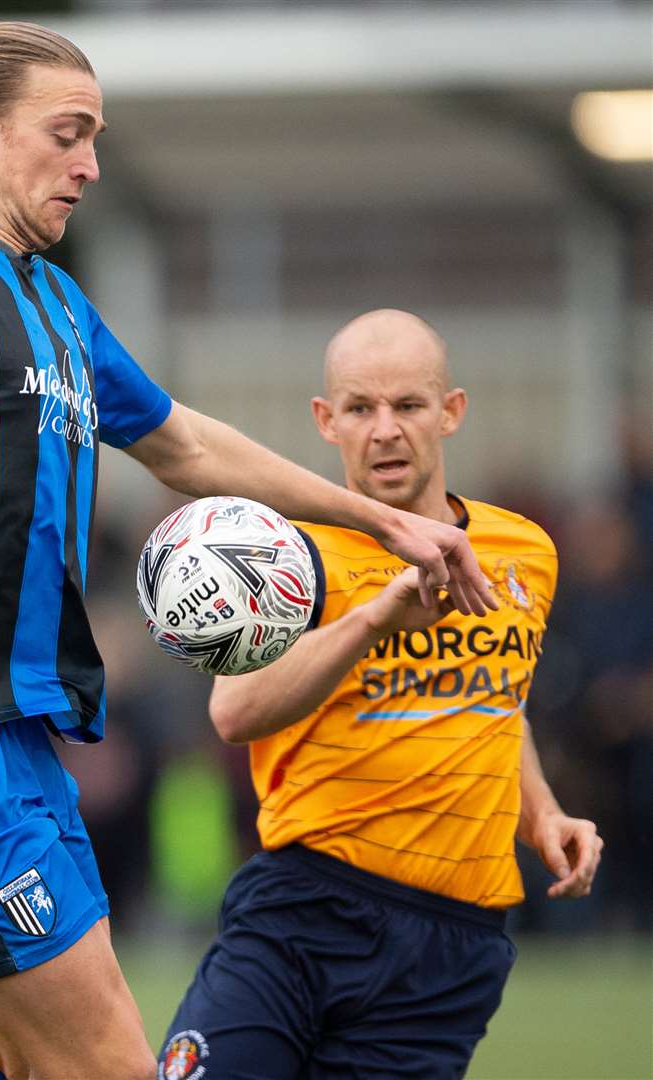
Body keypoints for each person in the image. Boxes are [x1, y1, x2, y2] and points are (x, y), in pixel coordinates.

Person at [0, 23, 496, 1080]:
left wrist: (379, 519)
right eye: (69, 135)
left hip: (12, 736)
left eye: (96, 137)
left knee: (32, 1061)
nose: (92, 164)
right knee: (105, 1068)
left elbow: (183, 444)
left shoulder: (59, 306)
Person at [157, 309, 604, 1080]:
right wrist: (374, 617)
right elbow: (233, 713)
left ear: (451, 411)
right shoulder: (291, 555)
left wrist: (542, 813)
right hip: (306, 910)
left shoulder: (523, 551)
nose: (384, 430)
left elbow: (496, 699)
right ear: (325, 422)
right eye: (360, 409)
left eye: (408, 406)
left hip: (452, 943)